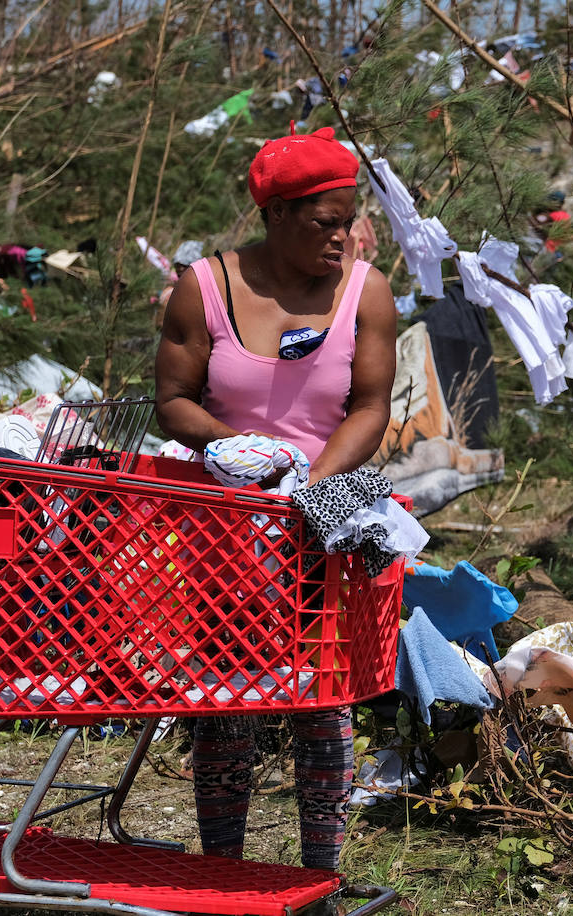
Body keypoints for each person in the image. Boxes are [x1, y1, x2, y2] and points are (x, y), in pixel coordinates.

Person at [154, 126, 396, 871]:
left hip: (328, 510)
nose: (343, 237)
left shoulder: (367, 291)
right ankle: (223, 870)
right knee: (224, 695)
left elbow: (371, 406)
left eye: (350, 219)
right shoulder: (208, 287)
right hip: (225, 518)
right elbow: (172, 399)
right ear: (277, 215)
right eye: (325, 221)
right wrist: (228, 446)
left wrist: (312, 484)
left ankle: (318, 872)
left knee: (324, 698)